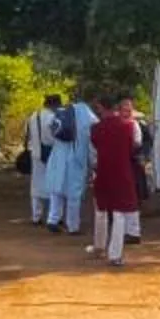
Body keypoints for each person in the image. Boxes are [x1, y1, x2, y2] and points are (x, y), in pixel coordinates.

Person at [88, 92, 143, 266]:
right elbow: (134, 146)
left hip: (104, 172)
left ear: (101, 108)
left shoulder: (96, 128)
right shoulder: (128, 126)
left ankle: (99, 246)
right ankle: (115, 254)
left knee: (100, 210)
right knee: (119, 214)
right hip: (122, 172)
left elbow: (96, 145)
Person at [53, 93, 98, 239]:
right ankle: (73, 226)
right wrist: (94, 162)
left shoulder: (63, 112)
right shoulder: (88, 115)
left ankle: (54, 219)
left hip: (61, 157)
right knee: (75, 192)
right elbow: (91, 140)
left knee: (59, 188)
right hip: (78, 157)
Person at [27, 93, 68, 228]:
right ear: (55, 105)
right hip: (51, 154)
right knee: (55, 186)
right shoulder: (53, 118)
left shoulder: (33, 116)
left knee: (36, 186)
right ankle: (56, 217)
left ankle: (36, 216)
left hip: (36, 154)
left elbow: (27, 135)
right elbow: (54, 137)